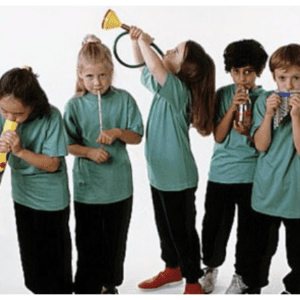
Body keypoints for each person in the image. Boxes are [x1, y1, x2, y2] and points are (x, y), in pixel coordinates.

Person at [130, 26, 215, 294]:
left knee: (183, 232)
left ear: (185, 70)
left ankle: (192, 281)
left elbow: (155, 68)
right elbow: (144, 67)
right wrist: (136, 42)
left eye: (175, 52)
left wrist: (145, 41)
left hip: (177, 177)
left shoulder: (179, 92)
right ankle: (172, 268)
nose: (168, 50)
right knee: (165, 228)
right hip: (159, 174)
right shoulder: (164, 88)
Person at [63, 34, 143, 294]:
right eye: (89, 77)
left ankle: (109, 285)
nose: (97, 83)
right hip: (88, 189)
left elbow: (137, 136)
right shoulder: (73, 106)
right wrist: (88, 152)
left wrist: (118, 132)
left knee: (115, 242)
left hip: (119, 187)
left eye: (103, 76)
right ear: (79, 75)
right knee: (87, 242)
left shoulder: (124, 100)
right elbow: (66, 144)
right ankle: (87, 287)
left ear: (111, 72)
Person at [200, 40, 268, 294]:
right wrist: (232, 106)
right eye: (236, 71)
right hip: (220, 174)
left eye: (248, 72)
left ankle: (241, 275)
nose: (242, 78)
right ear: (229, 71)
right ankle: (210, 267)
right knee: (214, 226)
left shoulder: (265, 98)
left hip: (251, 175)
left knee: (248, 231)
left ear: (258, 71)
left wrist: (249, 131)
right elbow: (218, 136)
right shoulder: (223, 94)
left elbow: (263, 143)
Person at [0, 67, 72, 294]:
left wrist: (19, 151)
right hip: (22, 196)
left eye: (18, 114)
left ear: (34, 104)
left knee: (55, 267)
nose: (11, 118)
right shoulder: (4, 114)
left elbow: (53, 164)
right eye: (4, 111)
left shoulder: (52, 116)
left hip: (51, 202)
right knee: (32, 264)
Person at [249, 44, 300, 294]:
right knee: (259, 248)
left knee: (298, 252)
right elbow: (261, 145)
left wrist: (297, 116)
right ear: (273, 78)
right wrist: (269, 115)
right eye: (282, 78)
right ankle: (253, 287)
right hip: (267, 189)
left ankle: (294, 289)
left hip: (296, 195)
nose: (288, 86)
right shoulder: (264, 102)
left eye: (296, 78)